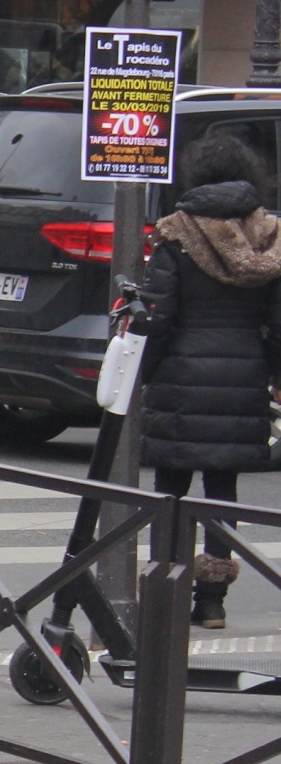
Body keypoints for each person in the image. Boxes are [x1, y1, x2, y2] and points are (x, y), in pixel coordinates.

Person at [132, 134, 281, 629]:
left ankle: (165, 594)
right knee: (221, 489)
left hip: (180, 373)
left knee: (171, 488)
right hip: (242, 377)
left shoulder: (176, 235)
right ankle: (212, 601)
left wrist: (141, 374)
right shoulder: (268, 236)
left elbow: (159, 317)